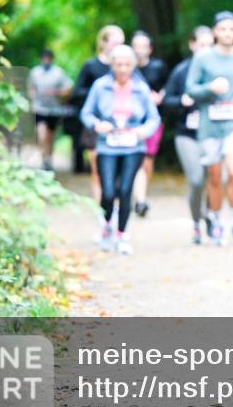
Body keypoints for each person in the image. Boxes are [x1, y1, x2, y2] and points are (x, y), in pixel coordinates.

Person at [186, 10, 233, 246]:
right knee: (215, 177)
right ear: (215, 31)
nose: (228, 33)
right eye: (223, 29)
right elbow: (191, 89)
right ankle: (216, 222)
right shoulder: (203, 58)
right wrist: (210, 88)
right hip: (210, 126)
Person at [80, 44, 161, 256]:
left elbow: (154, 118)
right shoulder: (100, 86)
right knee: (108, 190)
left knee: (125, 190)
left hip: (133, 146)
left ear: (133, 65)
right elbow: (86, 113)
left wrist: (144, 131)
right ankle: (107, 224)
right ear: (112, 65)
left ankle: (122, 235)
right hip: (108, 145)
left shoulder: (141, 88)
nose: (123, 69)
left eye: (127, 64)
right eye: (119, 64)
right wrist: (97, 125)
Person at [163, 26, 216, 244]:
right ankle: (197, 220)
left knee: (216, 179)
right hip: (187, 134)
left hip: (213, 132)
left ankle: (213, 216)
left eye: (209, 45)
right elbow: (167, 101)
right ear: (192, 45)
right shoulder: (181, 71)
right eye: (202, 44)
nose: (205, 49)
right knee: (195, 180)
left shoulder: (218, 70)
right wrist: (181, 102)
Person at [71, 25, 126, 212]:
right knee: (98, 172)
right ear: (104, 43)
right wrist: (99, 94)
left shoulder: (126, 68)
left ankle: (116, 209)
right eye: (115, 42)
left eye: (122, 43)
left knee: (118, 172)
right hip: (96, 125)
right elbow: (76, 92)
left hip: (120, 126)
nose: (119, 46)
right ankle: (102, 213)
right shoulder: (91, 66)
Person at [130, 31, 169, 218]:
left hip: (153, 121)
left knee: (147, 160)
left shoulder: (158, 67)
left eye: (143, 46)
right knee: (133, 158)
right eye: (136, 46)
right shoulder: (125, 69)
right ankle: (138, 197)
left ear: (150, 49)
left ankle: (140, 197)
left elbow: (169, 87)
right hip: (131, 122)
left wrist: (160, 96)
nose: (140, 50)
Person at [27, 49, 72, 170]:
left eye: (48, 58)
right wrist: (33, 97)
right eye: (44, 58)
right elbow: (31, 87)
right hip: (39, 108)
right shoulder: (35, 72)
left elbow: (68, 89)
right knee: (41, 134)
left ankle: (49, 159)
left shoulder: (59, 73)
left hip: (54, 110)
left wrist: (56, 92)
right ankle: (44, 157)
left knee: (50, 136)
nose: (46, 60)